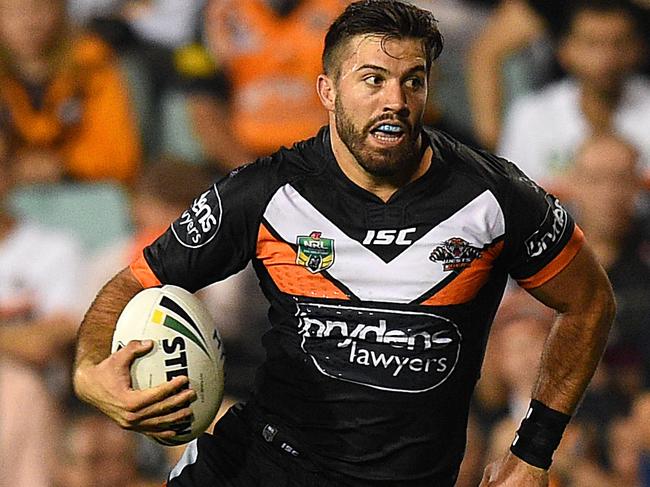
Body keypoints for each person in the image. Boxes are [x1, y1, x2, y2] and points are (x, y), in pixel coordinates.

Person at [73, 1, 615, 486]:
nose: (396, 101)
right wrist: (89, 371)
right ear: (327, 91)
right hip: (257, 466)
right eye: (373, 80)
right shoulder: (265, 191)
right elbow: (132, 283)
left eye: (413, 81)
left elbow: (589, 302)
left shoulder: (494, 196)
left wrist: (534, 452)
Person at [498, 0, 650, 191]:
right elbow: (513, 195)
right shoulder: (531, 115)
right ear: (565, 50)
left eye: (619, 43)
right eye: (592, 44)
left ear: (639, 48)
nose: (607, 58)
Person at [0, 0, 141, 185]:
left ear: (61, 11)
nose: (29, 23)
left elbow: (121, 158)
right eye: (14, 12)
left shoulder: (91, 64)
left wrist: (63, 164)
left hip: (83, 191)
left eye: (40, 9)